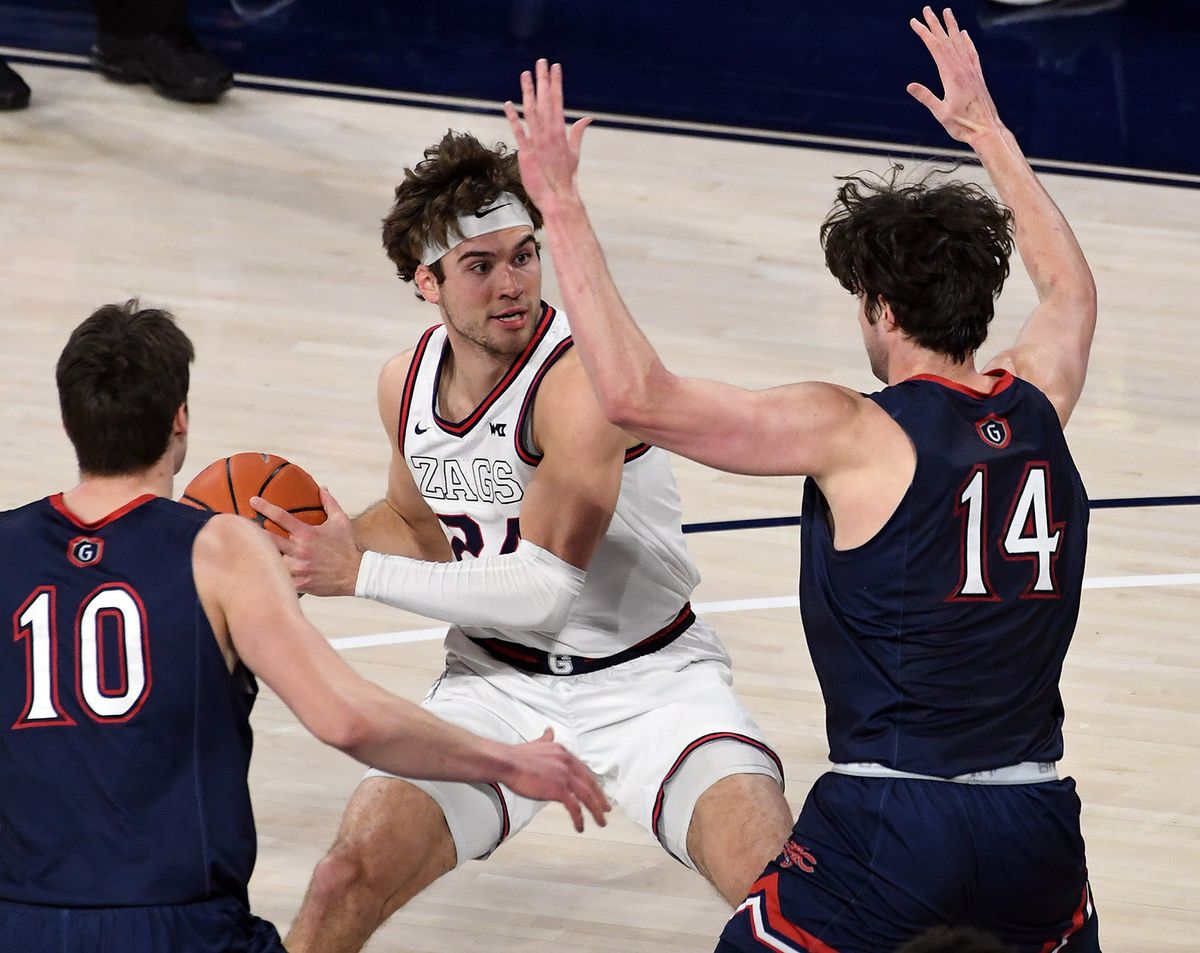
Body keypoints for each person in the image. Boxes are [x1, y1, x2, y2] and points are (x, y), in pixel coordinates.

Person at [504, 6, 1099, 952]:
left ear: (881, 308)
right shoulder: (1037, 399)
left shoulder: (852, 428)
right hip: (1040, 824)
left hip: (895, 819)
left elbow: (633, 394)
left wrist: (561, 205)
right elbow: (1069, 287)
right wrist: (988, 131)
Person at [251, 129, 795, 953]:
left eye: (524, 255)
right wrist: (299, 549)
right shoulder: (405, 380)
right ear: (425, 282)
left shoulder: (583, 379)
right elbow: (417, 524)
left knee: (778, 891)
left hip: (653, 684)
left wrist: (355, 572)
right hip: (496, 686)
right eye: (480, 265)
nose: (512, 284)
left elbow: (543, 594)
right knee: (342, 877)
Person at [0, 301, 606, 953]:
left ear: (71, 421)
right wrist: (506, 759)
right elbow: (347, 718)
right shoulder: (222, 549)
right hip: (175, 925)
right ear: (180, 419)